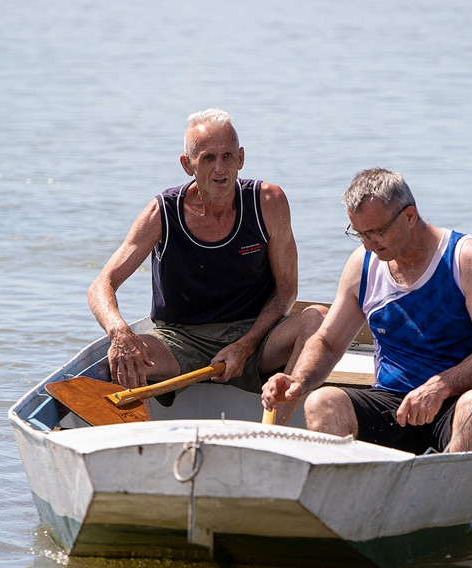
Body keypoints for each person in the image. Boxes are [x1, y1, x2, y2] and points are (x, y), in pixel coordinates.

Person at [88, 108, 325, 420]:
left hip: (256, 335)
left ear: (241, 158)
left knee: (317, 318)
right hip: (179, 340)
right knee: (124, 358)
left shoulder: (269, 202)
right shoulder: (161, 213)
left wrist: (246, 345)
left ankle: (277, 432)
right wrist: (119, 331)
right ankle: (143, 446)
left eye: (228, 156)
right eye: (208, 158)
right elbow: (101, 286)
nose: (220, 169)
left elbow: (286, 292)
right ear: (188, 165)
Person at [261, 168, 472, 454]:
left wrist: (441, 387)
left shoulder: (466, 258)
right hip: (393, 405)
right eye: (359, 234)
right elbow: (328, 342)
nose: (368, 244)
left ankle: (443, 482)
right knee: (322, 403)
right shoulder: (363, 264)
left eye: (376, 232)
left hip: (457, 401)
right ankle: (352, 488)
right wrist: (298, 380)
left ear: (409, 216)